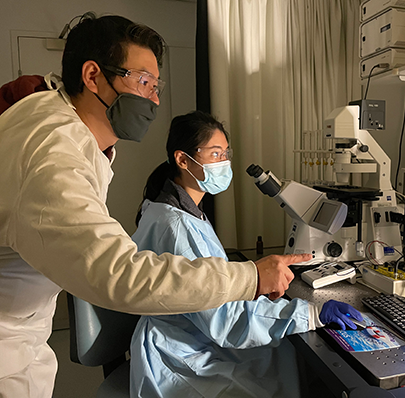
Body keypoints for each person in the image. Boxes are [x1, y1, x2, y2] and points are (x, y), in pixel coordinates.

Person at [0, 14, 309, 397]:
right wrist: (254, 279)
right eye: (144, 82)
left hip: (23, 333)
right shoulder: (50, 148)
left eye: (156, 86)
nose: (155, 99)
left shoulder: (67, 131)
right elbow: (118, 274)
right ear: (93, 76)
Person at [129, 110, 364, 398]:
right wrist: (311, 312)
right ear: (182, 159)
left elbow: (209, 286)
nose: (224, 163)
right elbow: (225, 321)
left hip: (191, 334)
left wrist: (253, 284)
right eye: (215, 154)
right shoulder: (178, 226)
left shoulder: (172, 205)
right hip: (185, 357)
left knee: (288, 356)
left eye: (226, 153)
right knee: (293, 363)